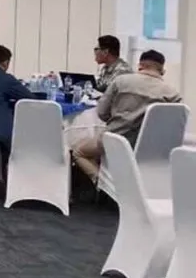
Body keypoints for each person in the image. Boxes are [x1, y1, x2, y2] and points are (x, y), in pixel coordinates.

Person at [72, 50, 182, 182]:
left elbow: (101, 112)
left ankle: (102, 182)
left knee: (78, 151)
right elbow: (174, 127)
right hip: (151, 152)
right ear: (162, 71)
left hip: (114, 141)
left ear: (140, 66)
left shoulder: (121, 82)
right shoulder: (173, 94)